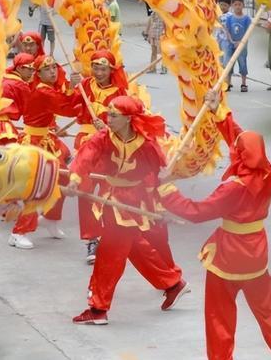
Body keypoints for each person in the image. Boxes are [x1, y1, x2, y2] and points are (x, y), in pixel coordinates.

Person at [157, 89, 271, 360]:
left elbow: (196, 212)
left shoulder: (233, 188)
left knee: (219, 319)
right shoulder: (265, 170)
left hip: (228, 258)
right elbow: (241, 141)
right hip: (256, 254)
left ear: (240, 156)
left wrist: (167, 192)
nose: (232, 151)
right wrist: (219, 112)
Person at [65, 96, 189, 325]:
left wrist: (167, 196)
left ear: (129, 119)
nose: (107, 119)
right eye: (108, 114)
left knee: (109, 255)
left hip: (134, 201)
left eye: (113, 116)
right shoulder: (104, 137)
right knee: (135, 247)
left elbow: (159, 172)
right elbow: (86, 156)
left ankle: (98, 309)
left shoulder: (146, 143)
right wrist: (74, 178)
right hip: (113, 197)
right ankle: (172, 283)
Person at [9, 55, 81, 249]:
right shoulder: (43, 90)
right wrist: (75, 89)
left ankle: (50, 218)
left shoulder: (49, 89)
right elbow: (66, 107)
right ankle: (18, 232)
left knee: (64, 178)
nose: (52, 71)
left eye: (54, 68)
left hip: (47, 140)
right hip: (33, 143)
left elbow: (56, 107)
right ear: (38, 74)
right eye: (47, 69)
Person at [71, 50, 128, 264]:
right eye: (95, 67)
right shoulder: (85, 85)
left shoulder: (120, 93)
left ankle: (108, 234)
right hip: (85, 146)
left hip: (108, 148)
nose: (99, 72)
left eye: (103, 68)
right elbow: (68, 105)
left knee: (106, 191)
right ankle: (91, 238)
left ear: (111, 70)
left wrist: (108, 127)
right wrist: (71, 86)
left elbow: (128, 123)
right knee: (84, 191)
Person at [0, 52, 34, 145]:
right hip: (0, 125)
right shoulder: (21, 86)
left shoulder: (4, 76)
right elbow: (31, 111)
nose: (31, 73)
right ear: (19, 68)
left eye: (33, 70)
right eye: (29, 69)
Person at [225, 0, 251, 92]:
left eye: (239, 4)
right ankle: (228, 83)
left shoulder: (247, 19)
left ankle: (243, 83)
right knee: (229, 64)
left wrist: (241, 42)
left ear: (243, 5)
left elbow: (248, 31)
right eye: (235, 4)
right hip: (230, 45)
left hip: (242, 46)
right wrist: (232, 41)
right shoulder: (230, 18)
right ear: (232, 6)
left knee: (242, 63)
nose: (237, 6)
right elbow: (227, 30)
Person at [215, 0, 232, 69]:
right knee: (219, 58)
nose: (222, 7)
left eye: (225, 5)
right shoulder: (218, 14)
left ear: (229, 6)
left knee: (226, 59)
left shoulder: (229, 15)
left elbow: (223, 25)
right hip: (218, 39)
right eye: (221, 5)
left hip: (226, 40)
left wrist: (218, 20)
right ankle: (221, 74)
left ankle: (227, 76)